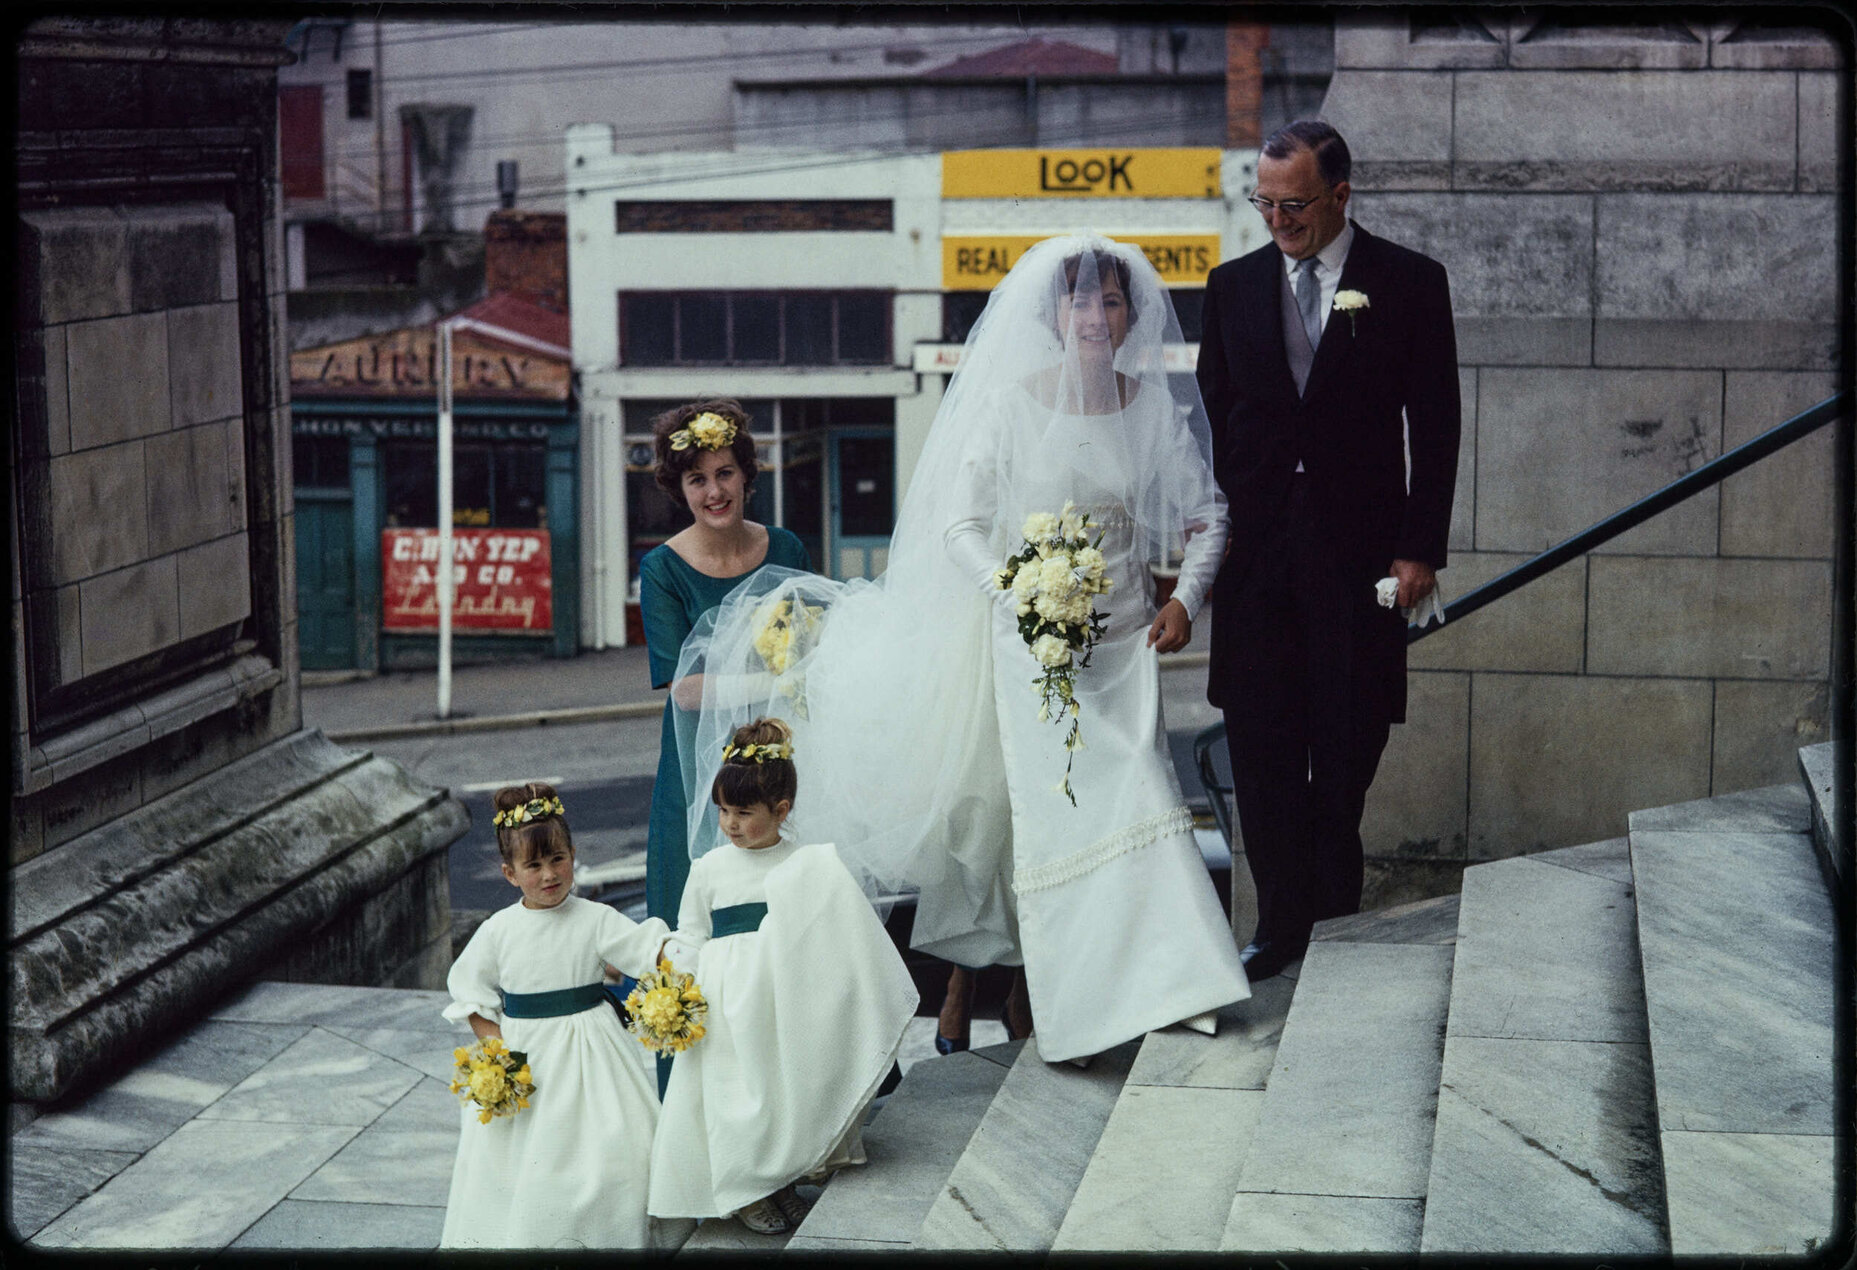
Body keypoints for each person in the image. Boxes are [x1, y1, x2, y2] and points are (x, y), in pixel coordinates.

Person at [675, 234, 1249, 1066]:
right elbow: (960, 526)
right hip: (1029, 648)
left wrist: (1185, 600)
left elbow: (1209, 515)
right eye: (1079, 301)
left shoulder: (1150, 409)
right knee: (1055, 819)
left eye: (1110, 301)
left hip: (1122, 644)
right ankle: (1077, 1003)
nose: (1094, 315)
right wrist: (1016, 596)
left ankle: (1172, 983)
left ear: (1131, 316)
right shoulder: (1012, 404)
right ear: (1054, 316)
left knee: (1141, 800)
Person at [1196, 120, 1461, 982]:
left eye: (1294, 204)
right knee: (1263, 746)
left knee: (1345, 749)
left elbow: (1436, 424)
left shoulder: (1410, 283)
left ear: (1340, 196)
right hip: (1259, 560)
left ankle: (1331, 922)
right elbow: (1220, 410)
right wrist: (1234, 517)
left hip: (1361, 562)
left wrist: (1418, 547)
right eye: (1263, 203)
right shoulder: (1229, 286)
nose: (1277, 220)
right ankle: (1278, 928)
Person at [648, 719, 917, 1234]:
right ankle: (748, 1190)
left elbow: (839, 932)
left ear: (782, 811)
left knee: (779, 1089)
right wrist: (675, 985)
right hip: (727, 1006)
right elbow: (691, 931)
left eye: (744, 813)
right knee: (738, 1092)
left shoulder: (808, 863)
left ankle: (784, 1177)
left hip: (785, 997)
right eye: (723, 810)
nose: (729, 823)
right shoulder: (709, 868)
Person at [440, 783, 686, 1250]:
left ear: (573, 853)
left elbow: (644, 950)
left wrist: (679, 954)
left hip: (593, 1049)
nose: (549, 874)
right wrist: (497, 1051)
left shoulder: (595, 917)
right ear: (510, 874)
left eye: (557, 859)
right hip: (529, 1054)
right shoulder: (499, 931)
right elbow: (469, 989)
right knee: (530, 1157)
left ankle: (612, 1231)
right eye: (533, 865)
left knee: (614, 1147)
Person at [640, 400, 812, 926]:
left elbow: (814, 643)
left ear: (745, 475)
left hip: (784, 754)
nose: (714, 492)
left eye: (724, 473)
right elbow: (686, 690)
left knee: (788, 913)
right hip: (699, 768)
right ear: (680, 489)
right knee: (695, 918)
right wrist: (777, 678)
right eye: (697, 479)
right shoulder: (662, 569)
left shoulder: (785, 548)